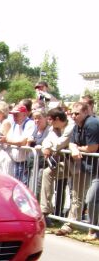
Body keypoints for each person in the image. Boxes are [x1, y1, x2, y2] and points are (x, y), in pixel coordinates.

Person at [56, 102, 99, 238]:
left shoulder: (91, 123)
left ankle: (93, 229)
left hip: (96, 168)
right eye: (72, 113)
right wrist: (74, 147)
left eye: (77, 113)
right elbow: (72, 142)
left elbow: (92, 148)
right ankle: (76, 225)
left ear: (86, 112)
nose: (73, 116)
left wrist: (77, 148)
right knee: (82, 196)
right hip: (87, 166)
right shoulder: (76, 126)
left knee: (91, 198)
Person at [40, 107, 74, 223]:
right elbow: (47, 140)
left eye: (51, 119)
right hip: (64, 162)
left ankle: (72, 221)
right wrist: (45, 147)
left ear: (57, 119)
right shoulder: (55, 127)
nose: (49, 122)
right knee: (47, 173)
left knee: (76, 193)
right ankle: (45, 211)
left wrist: (50, 148)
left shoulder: (70, 126)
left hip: (77, 164)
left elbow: (62, 142)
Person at [0, 103, 34, 185]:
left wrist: (6, 140)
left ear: (24, 114)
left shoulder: (29, 124)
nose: (14, 117)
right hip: (15, 161)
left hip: (25, 163)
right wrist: (5, 140)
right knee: (16, 185)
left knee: (23, 186)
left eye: (17, 114)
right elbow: (7, 138)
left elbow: (22, 141)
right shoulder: (14, 124)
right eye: (13, 115)